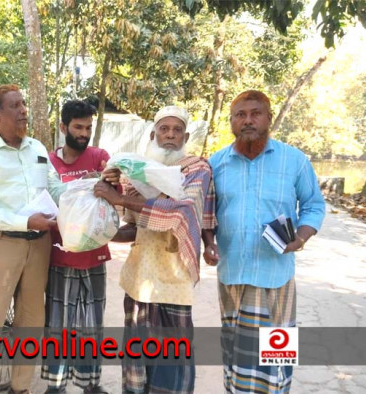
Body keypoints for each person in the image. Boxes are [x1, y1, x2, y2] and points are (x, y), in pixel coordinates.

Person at [203, 90, 326, 393]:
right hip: (233, 275)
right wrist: (208, 242)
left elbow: (314, 204)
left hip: (276, 277)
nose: (248, 120)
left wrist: (301, 237)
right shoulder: (215, 163)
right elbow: (206, 214)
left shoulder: (293, 160)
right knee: (236, 354)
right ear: (231, 121)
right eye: (240, 115)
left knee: (276, 359)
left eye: (255, 113)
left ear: (268, 118)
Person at [94, 105, 216, 394]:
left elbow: (179, 212)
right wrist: (100, 230)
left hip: (174, 281)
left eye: (177, 130)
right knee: (137, 359)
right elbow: (136, 226)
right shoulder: (141, 173)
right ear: (153, 134)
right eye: (164, 129)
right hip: (139, 281)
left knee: (172, 362)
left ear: (185, 136)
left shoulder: (198, 169)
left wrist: (119, 199)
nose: (170, 135)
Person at [0, 84, 66, 394]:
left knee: (31, 320)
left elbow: (53, 188)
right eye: (15, 106)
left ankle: (21, 388)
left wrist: (81, 195)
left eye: (24, 104)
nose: (23, 111)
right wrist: (23, 221)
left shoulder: (36, 148)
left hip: (38, 244)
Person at [41, 100, 111, 394]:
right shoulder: (47, 163)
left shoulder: (100, 157)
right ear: (63, 127)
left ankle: (90, 385)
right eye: (78, 127)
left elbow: (112, 190)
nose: (84, 133)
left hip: (94, 256)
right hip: (60, 256)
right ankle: (55, 386)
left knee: (91, 325)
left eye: (88, 128)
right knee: (58, 326)